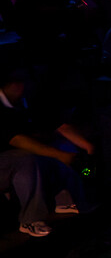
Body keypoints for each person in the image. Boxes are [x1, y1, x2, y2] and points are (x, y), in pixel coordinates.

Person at [0, 67, 93, 237]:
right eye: (21, 82)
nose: (26, 87)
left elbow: (58, 125)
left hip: (17, 157)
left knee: (60, 146)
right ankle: (30, 220)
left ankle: (68, 200)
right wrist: (60, 155)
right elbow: (16, 139)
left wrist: (87, 146)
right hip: (4, 163)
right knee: (28, 158)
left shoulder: (27, 100)